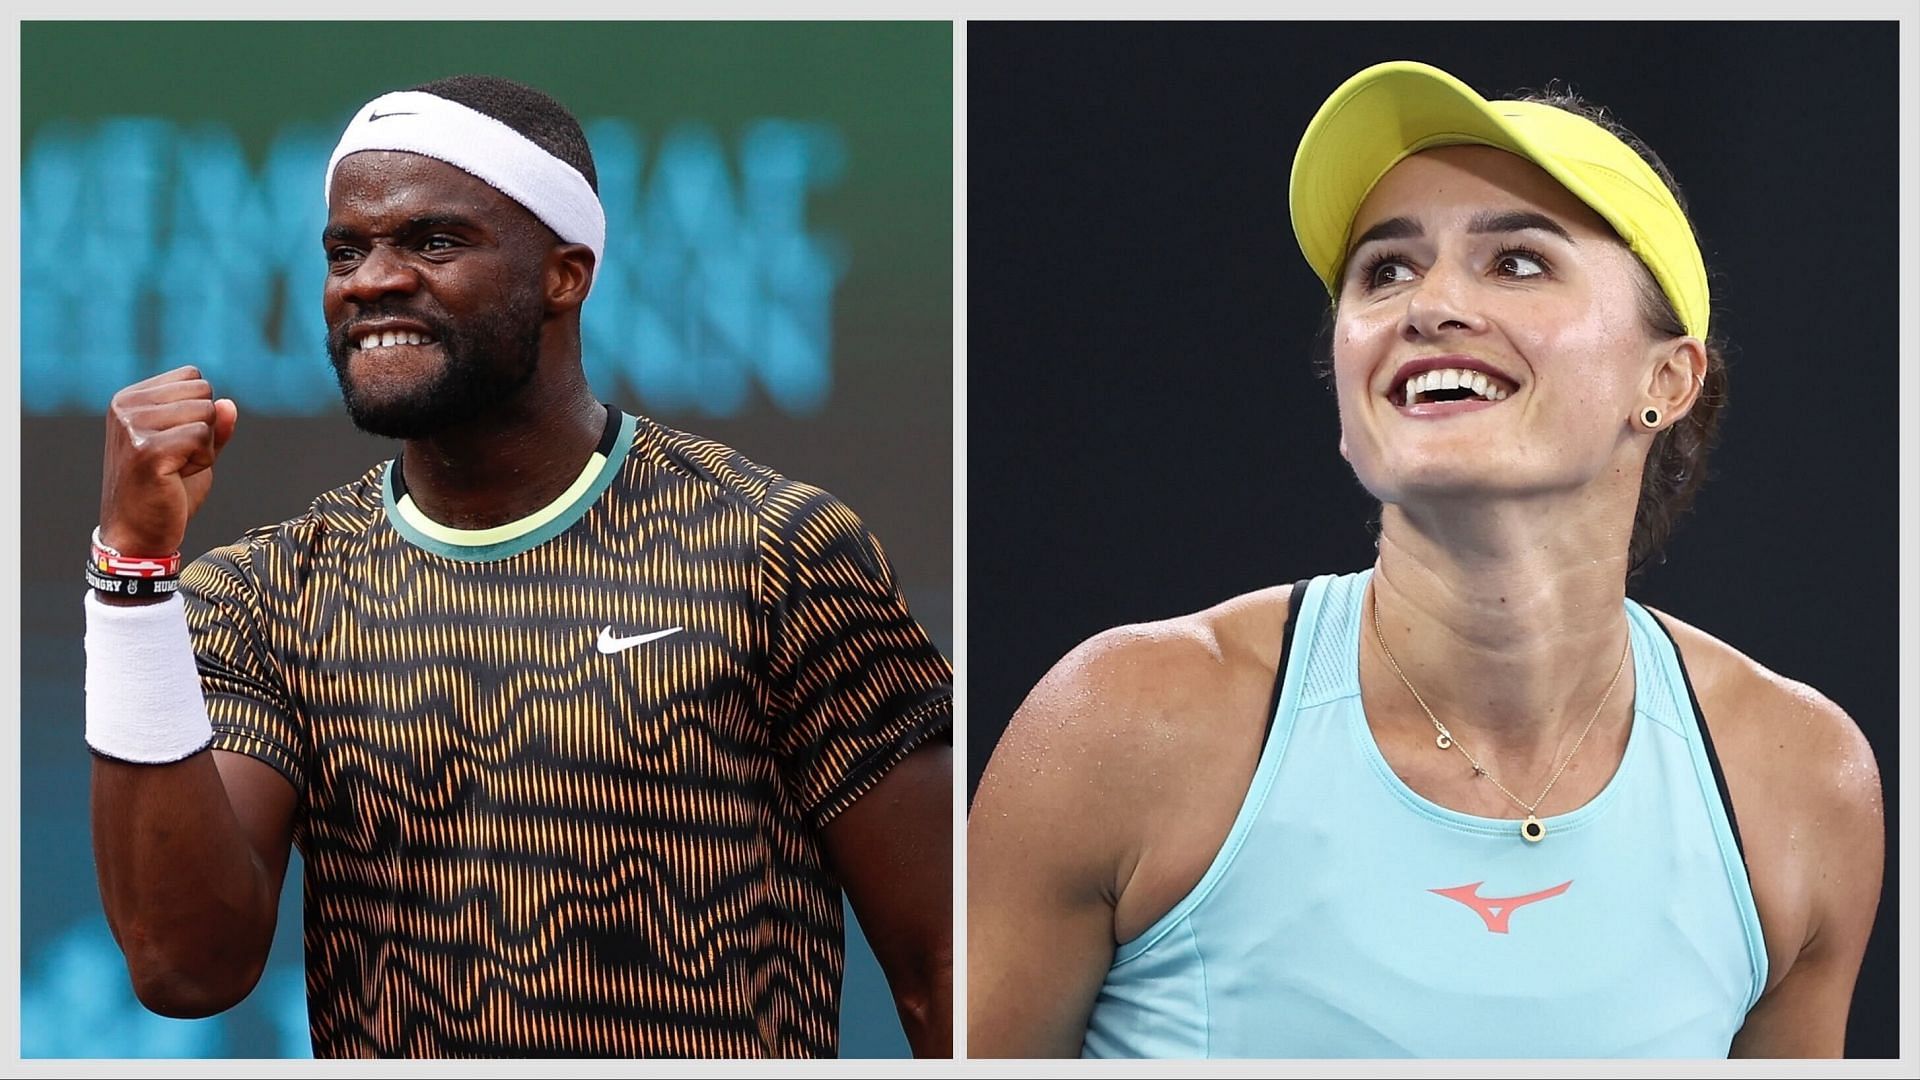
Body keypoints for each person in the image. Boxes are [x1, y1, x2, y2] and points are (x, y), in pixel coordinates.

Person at [968, 60, 1883, 1058]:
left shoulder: (1800, 785)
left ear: (1665, 376)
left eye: (1517, 262)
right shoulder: (1125, 722)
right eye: (1386, 269)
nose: (1428, 306)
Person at [85, 75, 952, 1059]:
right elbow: (185, 967)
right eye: (345, 250)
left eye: (432, 241)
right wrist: (134, 578)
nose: (371, 280)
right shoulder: (262, 596)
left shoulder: (776, 552)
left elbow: (946, 968)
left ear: (565, 275)